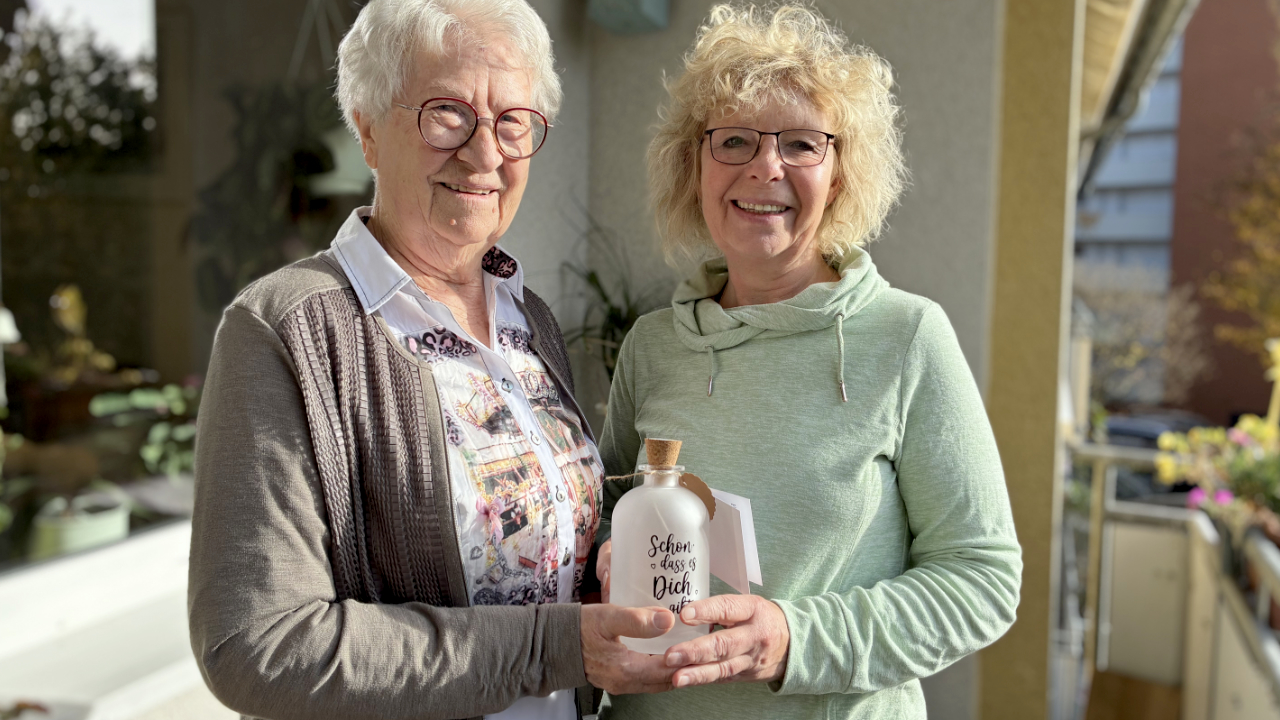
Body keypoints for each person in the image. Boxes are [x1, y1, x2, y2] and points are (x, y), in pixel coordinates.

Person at [187, 1, 680, 718]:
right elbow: (258, 646)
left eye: (513, 121)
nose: (486, 154)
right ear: (367, 129)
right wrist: (553, 647)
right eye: (448, 113)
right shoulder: (286, 329)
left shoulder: (529, 320)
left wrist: (611, 575)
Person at [593, 4, 1023, 718]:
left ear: (842, 176)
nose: (765, 167)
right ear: (693, 167)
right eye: (734, 140)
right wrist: (610, 554)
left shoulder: (908, 337)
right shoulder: (652, 346)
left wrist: (794, 640)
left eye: (800, 144)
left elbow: (982, 579)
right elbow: (608, 517)